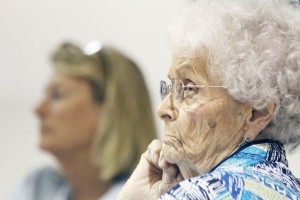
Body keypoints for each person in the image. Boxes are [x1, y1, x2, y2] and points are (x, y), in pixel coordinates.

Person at [117, 0, 300, 199]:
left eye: (188, 88)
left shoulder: (198, 194)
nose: (162, 109)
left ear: (258, 112)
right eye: (170, 87)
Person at [11, 41, 157, 200]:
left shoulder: (149, 196)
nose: (38, 109)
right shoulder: (38, 187)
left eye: (57, 95)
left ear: (109, 110)